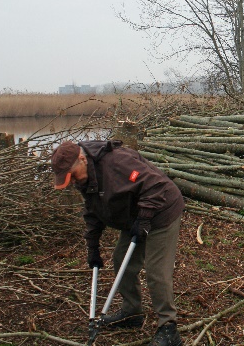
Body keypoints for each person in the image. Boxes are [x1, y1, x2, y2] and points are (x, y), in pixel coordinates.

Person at [51, 140, 185, 346]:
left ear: (82, 159)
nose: (73, 181)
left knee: (156, 271)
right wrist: (92, 246)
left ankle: (169, 328)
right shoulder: (86, 177)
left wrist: (145, 217)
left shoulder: (117, 162)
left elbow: (155, 184)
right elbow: (93, 210)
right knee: (121, 259)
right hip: (135, 215)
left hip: (162, 211)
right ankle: (132, 312)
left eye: (72, 174)